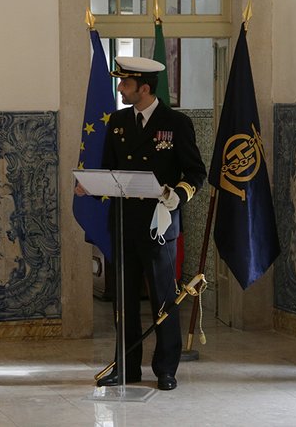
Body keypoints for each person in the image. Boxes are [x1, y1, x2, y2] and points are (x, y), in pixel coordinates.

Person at [77, 56, 206, 391]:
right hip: (123, 223)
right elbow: (110, 169)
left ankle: (166, 368)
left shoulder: (175, 123)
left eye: (126, 84)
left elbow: (195, 172)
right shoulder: (119, 122)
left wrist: (179, 194)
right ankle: (127, 365)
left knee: (164, 298)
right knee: (124, 299)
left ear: (144, 88)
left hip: (159, 224)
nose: (120, 88)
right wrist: (90, 185)